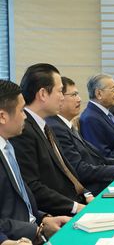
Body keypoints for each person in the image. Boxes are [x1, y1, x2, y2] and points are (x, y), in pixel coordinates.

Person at [10, 64, 93, 216]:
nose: (62, 97)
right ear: (42, 94)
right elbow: (32, 186)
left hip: (76, 201)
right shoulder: (23, 130)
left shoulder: (45, 124)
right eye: (60, 91)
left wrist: (86, 194)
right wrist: (75, 206)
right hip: (58, 214)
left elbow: (66, 171)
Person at [46, 77, 114, 195]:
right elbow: (80, 169)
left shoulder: (67, 125)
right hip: (94, 188)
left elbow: (97, 157)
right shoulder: (59, 127)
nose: (79, 99)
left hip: (99, 180)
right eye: (74, 95)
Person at [0, 79, 70, 243]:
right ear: (3, 117)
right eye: (21, 110)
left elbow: (20, 204)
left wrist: (43, 220)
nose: (25, 116)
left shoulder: (7, 147)